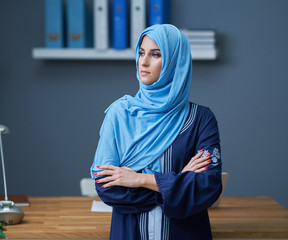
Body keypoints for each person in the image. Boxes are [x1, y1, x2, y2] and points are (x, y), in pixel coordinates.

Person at [90, 24, 222, 240]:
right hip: (129, 233)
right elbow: (106, 187)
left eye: (156, 54)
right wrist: (177, 182)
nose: (143, 62)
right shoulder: (120, 114)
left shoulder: (200, 119)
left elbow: (208, 187)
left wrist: (140, 180)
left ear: (174, 61)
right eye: (141, 53)